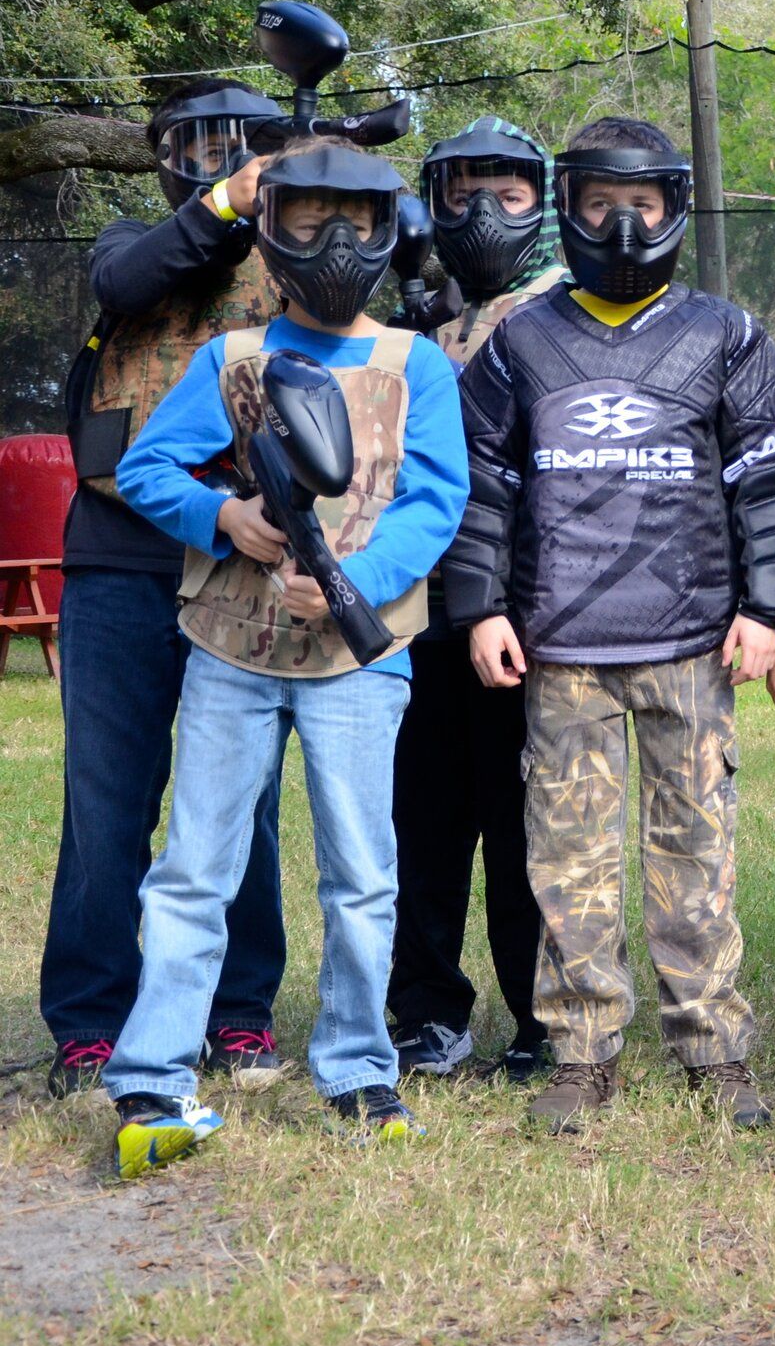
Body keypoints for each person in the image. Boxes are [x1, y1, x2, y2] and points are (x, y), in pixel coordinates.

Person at [447, 117, 775, 1135]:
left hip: (691, 643)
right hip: (561, 649)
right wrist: (478, 607)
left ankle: (714, 1051)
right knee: (567, 861)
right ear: (569, 207)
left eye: (642, 205)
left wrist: (767, 611)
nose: (622, 224)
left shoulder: (722, 334)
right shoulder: (520, 340)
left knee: (696, 852)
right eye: (602, 204)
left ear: (672, 209)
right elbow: (479, 488)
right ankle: (579, 1055)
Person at [104, 138, 468, 1175]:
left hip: (361, 659)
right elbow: (146, 467)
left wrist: (349, 581)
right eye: (308, 221)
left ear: (390, 230)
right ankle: (154, 1073)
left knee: (361, 874)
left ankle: (358, 1067)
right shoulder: (232, 358)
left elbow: (434, 503)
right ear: (271, 231)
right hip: (230, 646)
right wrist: (227, 517)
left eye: (355, 221)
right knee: (194, 867)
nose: (334, 243)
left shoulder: (415, 362)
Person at [43, 79, 292, 1100]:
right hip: (115, 554)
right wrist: (228, 204)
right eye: (196, 145)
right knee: (106, 803)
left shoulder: (292, 266)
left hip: (242, 553)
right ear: (167, 159)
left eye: (240, 149)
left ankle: (237, 1014)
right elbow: (136, 279)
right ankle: (93, 1022)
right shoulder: (126, 245)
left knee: (248, 802)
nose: (218, 159)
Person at [384, 117, 567, 1083]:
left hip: (522, 615)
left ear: (544, 201)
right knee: (425, 817)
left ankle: (540, 1015)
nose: (485, 213)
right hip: (421, 612)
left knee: (522, 822)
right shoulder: (425, 328)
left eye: (509, 191)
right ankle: (425, 1012)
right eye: (462, 193)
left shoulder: (563, 314)